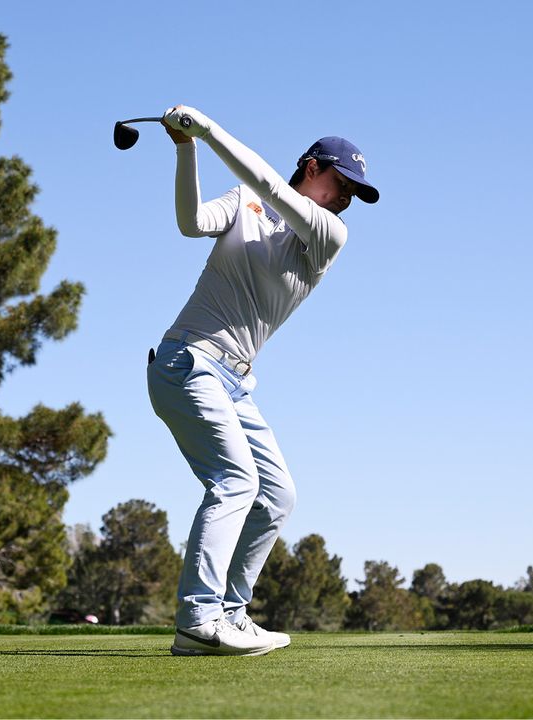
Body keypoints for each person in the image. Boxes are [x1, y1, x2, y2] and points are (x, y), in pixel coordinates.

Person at [146, 105, 378, 656]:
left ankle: (230, 612)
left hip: (235, 381)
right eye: (341, 183)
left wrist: (206, 128)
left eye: (353, 192)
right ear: (312, 166)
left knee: (276, 496)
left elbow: (270, 186)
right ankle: (198, 621)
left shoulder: (329, 234)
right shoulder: (244, 201)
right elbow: (191, 223)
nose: (345, 197)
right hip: (187, 361)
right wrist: (186, 149)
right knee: (234, 483)